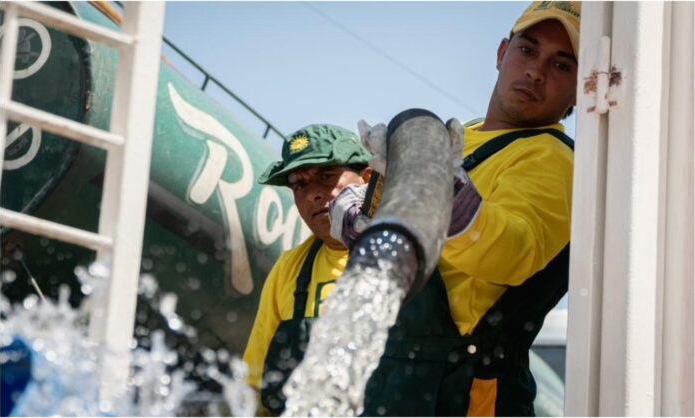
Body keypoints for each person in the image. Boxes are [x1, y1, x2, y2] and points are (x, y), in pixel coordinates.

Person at [245, 1, 580, 415]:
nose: (535, 71)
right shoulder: (461, 138)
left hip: (467, 392)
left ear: (582, 88)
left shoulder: (551, 156)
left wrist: (446, 192)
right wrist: (365, 217)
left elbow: (513, 251)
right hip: (399, 381)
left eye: (561, 65)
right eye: (527, 50)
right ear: (501, 54)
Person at [242, 124, 373, 415]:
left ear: (366, 178)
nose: (313, 193)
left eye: (326, 176)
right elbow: (254, 386)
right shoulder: (290, 268)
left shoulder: (405, 254)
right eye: (299, 185)